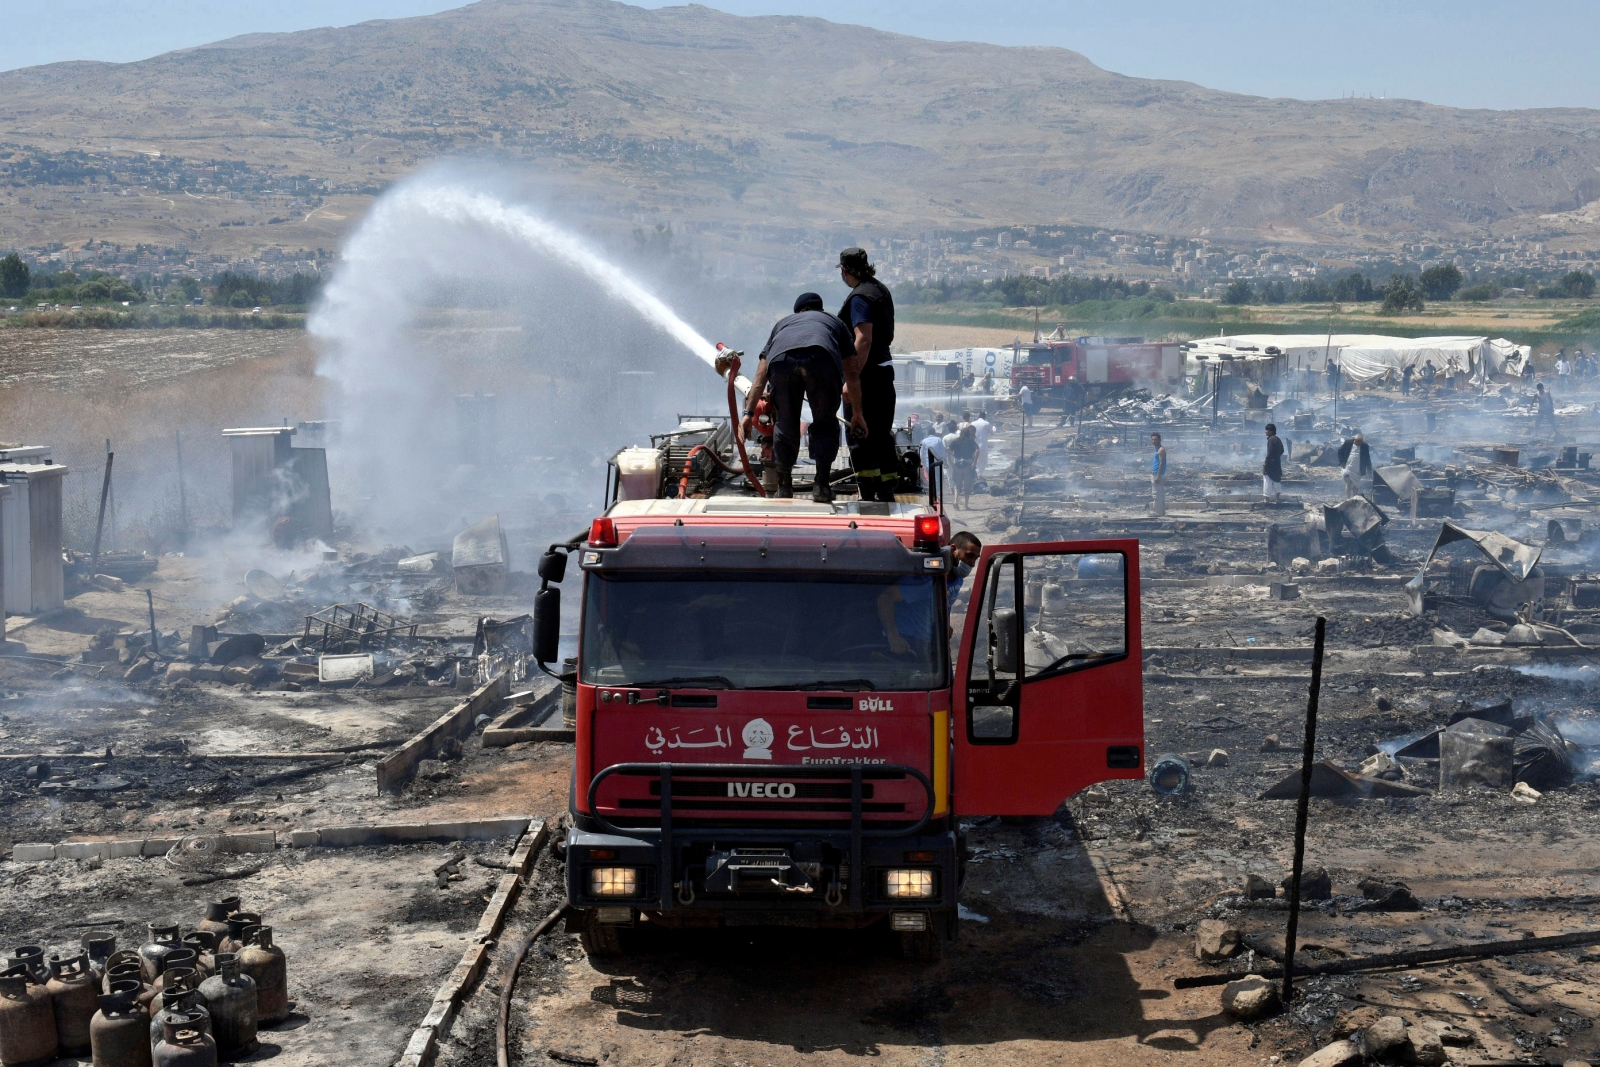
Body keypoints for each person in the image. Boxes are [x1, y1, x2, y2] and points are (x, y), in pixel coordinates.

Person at [741, 291, 852, 502]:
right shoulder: (833, 322)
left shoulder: (783, 324)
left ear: (798, 312)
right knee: (825, 422)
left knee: (785, 423)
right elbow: (852, 371)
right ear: (819, 309)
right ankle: (821, 486)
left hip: (782, 362)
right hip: (821, 358)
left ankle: (784, 487)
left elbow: (761, 373)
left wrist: (748, 413)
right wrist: (858, 412)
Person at [836, 247, 898, 502]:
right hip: (883, 371)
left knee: (860, 433)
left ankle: (869, 491)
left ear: (845, 270)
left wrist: (852, 380)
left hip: (867, 376)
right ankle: (886, 489)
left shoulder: (860, 297)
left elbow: (863, 340)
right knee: (882, 433)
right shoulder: (880, 290)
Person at [948, 423, 978, 509]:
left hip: (957, 465)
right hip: (967, 466)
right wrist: (974, 463)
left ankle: (955, 501)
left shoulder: (956, 441)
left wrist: (951, 460)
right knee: (967, 486)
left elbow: (948, 449)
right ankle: (965, 505)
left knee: (957, 485)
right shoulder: (971, 441)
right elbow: (977, 451)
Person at [1338, 432, 1370, 499]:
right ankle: (1348, 498)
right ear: (1354, 440)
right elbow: (1340, 451)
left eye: (1360, 442)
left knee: (1356, 484)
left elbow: (1367, 458)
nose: (1358, 443)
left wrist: (1369, 468)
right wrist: (1342, 461)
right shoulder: (1348, 443)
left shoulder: (1365, 446)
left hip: (1358, 468)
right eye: (1357, 441)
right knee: (1348, 482)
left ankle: (1354, 498)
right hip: (1348, 467)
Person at [1262, 422, 1284, 505]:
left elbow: (1270, 452)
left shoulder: (1271, 439)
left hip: (1270, 463)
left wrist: (1266, 461)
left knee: (1267, 479)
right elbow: (1282, 451)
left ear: (1271, 431)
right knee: (1276, 479)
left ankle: (1266, 499)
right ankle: (1277, 499)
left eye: (1266, 430)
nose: (1265, 432)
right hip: (1277, 463)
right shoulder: (1277, 439)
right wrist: (1276, 457)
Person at [970, 409, 993, 480]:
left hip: (974, 445)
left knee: (975, 460)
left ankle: (976, 474)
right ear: (984, 417)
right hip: (983, 445)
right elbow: (992, 433)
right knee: (983, 460)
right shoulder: (986, 423)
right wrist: (994, 428)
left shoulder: (973, 423)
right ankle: (979, 474)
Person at [1150, 432, 1168, 516]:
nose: (1154, 441)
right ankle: (1161, 512)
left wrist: (1157, 476)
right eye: (1152, 439)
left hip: (1158, 474)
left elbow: (1161, 463)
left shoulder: (1161, 450)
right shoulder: (1157, 449)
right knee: (1159, 493)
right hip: (1155, 473)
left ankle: (1157, 512)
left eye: (1155, 439)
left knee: (1156, 494)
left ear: (1159, 440)